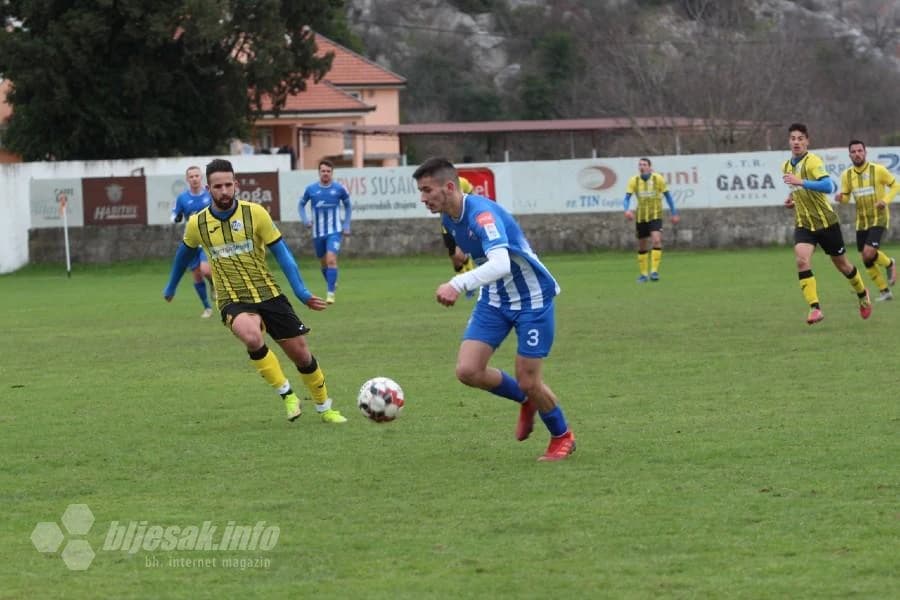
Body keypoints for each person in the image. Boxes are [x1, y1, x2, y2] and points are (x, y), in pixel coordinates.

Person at [413, 157, 576, 462]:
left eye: (427, 190)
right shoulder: (448, 217)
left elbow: (501, 264)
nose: (423, 198)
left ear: (449, 187)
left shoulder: (482, 214)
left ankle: (562, 435)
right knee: (468, 370)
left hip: (532, 299)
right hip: (495, 299)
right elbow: (474, 254)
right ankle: (526, 399)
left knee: (529, 379)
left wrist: (458, 283)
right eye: (420, 191)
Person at [164, 158, 347, 424]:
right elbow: (183, 256)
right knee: (251, 337)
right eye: (218, 186)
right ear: (208, 188)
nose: (224, 191)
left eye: (228, 185)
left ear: (236, 184)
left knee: (301, 355)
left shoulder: (256, 213)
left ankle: (324, 407)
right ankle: (288, 395)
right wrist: (171, 286)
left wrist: (301, 292)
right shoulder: (197, 223)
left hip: (268, 293)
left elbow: (283, 255)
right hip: (232, 297)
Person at [781, 123, 872, 325]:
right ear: (789, 141)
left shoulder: (813, 161)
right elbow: (799, 190)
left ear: (807, 141)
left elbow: (828, 185)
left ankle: (862, 293)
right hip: (804, 224)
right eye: (793, 138)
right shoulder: (786, 166)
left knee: (842, 265)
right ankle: (815, 308)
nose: (796, 142)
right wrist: (792, 199)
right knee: (801, 260)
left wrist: (800, 182)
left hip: (826, 223)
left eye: (800, 138)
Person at [835, 139, 899, 302]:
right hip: (861, 221)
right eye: (853, 152)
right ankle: (885, 291)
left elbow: (896, 186)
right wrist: (841, 198)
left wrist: (885, 200)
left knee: (868, 253)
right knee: (866, 258)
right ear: (849, 155)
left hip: (879, 217)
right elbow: (846, 197)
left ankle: (889, 264)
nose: (857, 154)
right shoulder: (847, 175)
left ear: (865, 152)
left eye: (860, 151)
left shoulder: (878, 170)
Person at [298, 159, 352, 304]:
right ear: (319, 172)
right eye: (323, 171)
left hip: (335, 231)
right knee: (323, 264)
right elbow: (301, 205)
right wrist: (305, 220)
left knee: (331, 260)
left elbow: (348, 206)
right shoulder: (311, 189)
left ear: (332, 173)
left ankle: (330, 293)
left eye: (328, 171)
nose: (326, 173)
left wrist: (346, 225)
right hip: (318, 233)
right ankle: (332, 282)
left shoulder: (339, 189)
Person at [623, 158, 680, 282]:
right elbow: (627, 198)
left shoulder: (658, 179)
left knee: (656, 240)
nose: (641, 166)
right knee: (642, 245)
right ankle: (643, 274)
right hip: (641, 216)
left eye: (644, 164)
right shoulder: (634, 180)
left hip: (655, 215)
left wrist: (674, 213)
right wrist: (626, 210)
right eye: (640, 165)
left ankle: (654, 271)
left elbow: (668, 196)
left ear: (650, 167)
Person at [171, 165, 215, 318]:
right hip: (191, 240)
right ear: (187, 179)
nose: (194, 179)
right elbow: (174, 215)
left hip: (208, 239)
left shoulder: (209, 195)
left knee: (206, 270)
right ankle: (207, 307)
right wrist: (176, 218)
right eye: (191, 176)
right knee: (196, 275)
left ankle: (213, 284)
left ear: (201, 177)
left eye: (197, 176)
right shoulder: (182, 198)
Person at [441, 176, 476, 274]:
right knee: (454, 257)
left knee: (458, 254)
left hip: (461, 223)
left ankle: (467, 275)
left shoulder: (462, 182)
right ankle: (462, 273)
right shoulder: (437, 186)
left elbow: (472, 198)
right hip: (447, 225)